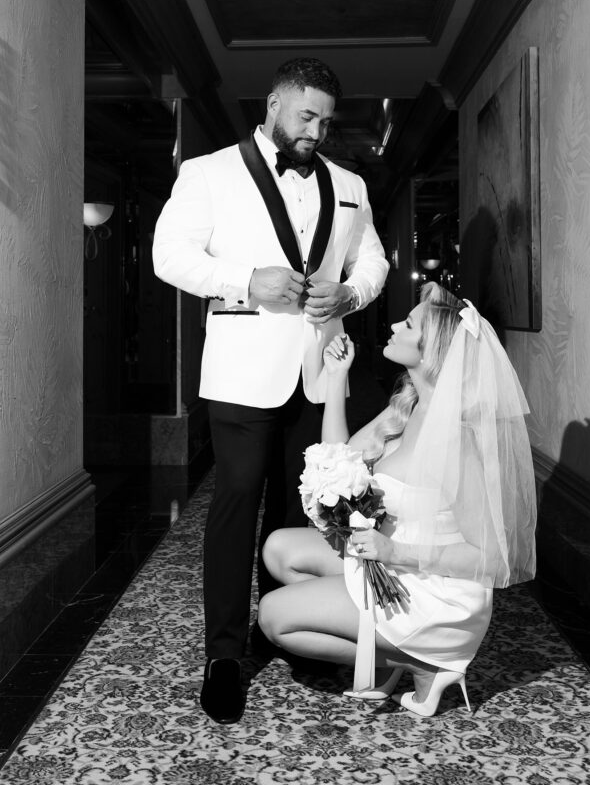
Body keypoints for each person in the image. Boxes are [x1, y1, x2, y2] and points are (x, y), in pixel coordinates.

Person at [152, 57, 389, 724]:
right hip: (241, 371)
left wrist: (352, 289)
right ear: (273, 105)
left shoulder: (348, 183)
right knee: (235, 504)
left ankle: (273, 622)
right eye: (305, 115)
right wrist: (244, 281)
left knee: (297, 508)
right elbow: (169, 256)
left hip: (318, 370)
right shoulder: (207, 173)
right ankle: (223, 656)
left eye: (325, 120)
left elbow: (371, 259)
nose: (316, 129)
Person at [258, 283, 537, 718]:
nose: (392, 325)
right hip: (392, 562)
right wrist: (336, 379)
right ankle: (382, 648)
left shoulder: (459, 441)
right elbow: (339, 461)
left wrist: (394, 550)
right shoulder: (408, 406)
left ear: (433, 351)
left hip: (435, 595)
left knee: (274, 618)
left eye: (407, 324)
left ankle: (420, 661)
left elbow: (493, 560)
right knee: (278, 547)